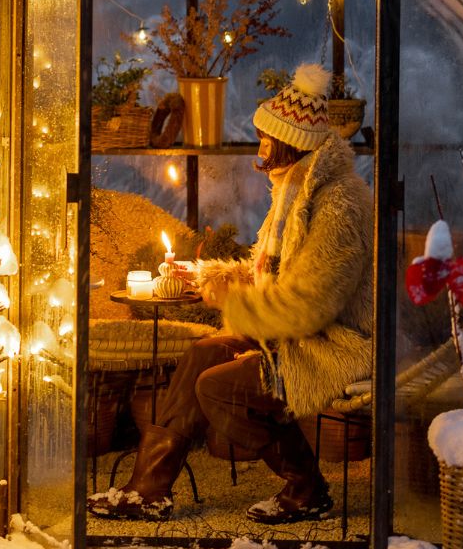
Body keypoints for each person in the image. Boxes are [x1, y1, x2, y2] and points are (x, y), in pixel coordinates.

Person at [88, 63, 373, 524]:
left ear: (290, 142)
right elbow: (269, 274)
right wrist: (205, 277)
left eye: (266, 137)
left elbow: (312, 302)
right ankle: (149, 490)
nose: (259, 146)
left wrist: (238, 307)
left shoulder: (337, 203)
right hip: (283, 331)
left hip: (327, 344)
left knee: (217, 388)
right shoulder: (293, 192)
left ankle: (307, 487)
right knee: (202, 354)